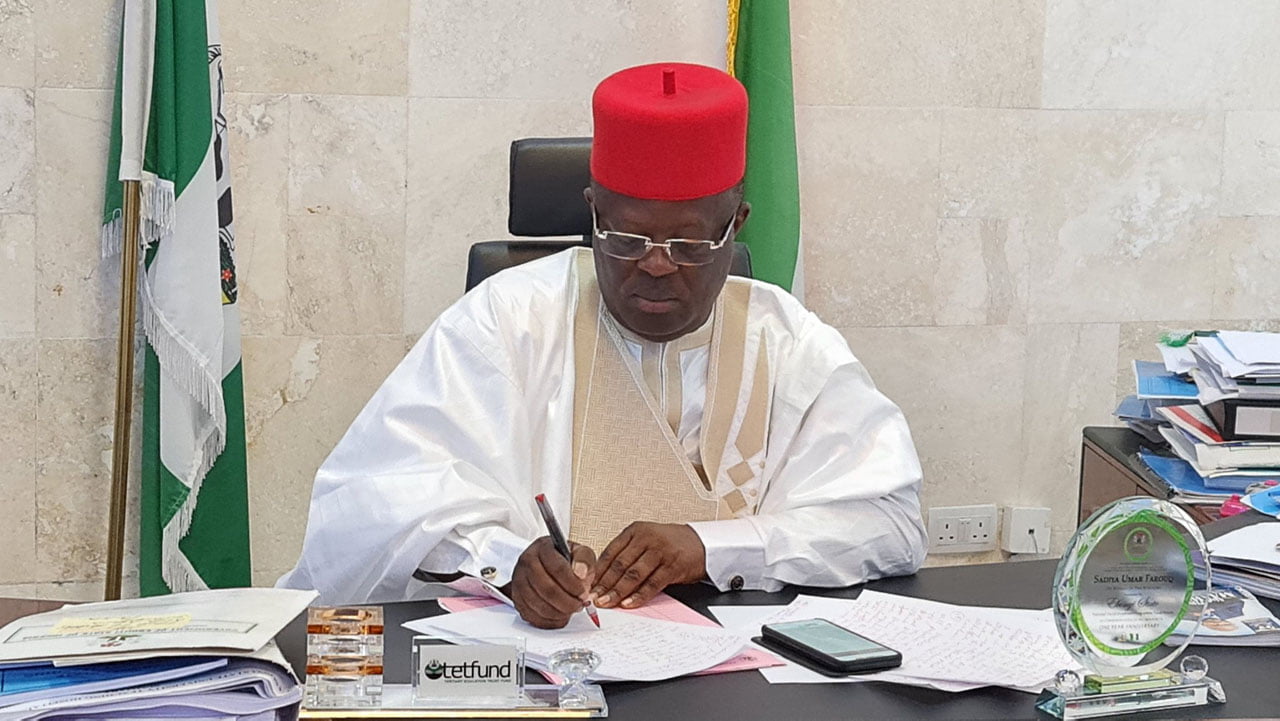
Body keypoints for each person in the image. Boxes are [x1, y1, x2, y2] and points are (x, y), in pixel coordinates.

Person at [279, 62, 927, 629]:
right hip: (546, 666)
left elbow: (891, 525)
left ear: (736, 224)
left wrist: (712, 547)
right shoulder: (507, 319)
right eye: (625, 238)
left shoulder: (787, 340)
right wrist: (507, 563)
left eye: (688, 243)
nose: (655, 265)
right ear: (592, 211)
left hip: (737, 677)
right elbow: (369, 505)